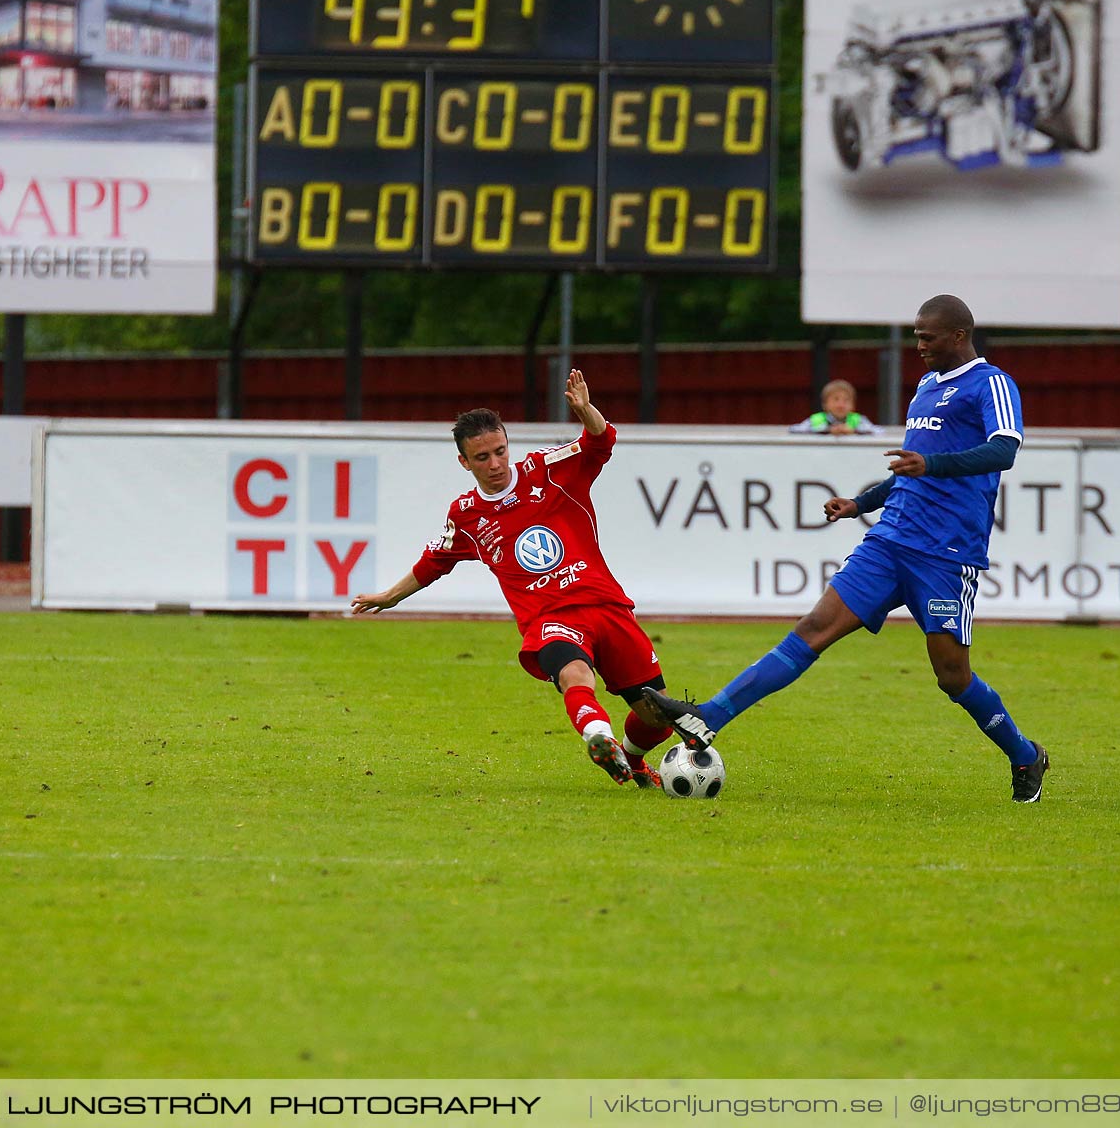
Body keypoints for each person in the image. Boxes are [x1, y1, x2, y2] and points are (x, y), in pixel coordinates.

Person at [644, 294, 1050, 802]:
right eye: (916, 335)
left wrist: (933, 466)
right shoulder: (925, 386)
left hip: (946, 556)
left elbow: (1004, 450)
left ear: (960, 335)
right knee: (813, 629)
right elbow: (909, 472)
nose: (918, 345)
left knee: (952, 677)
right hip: (890, 541)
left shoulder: (991, 382)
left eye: (928, 336)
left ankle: (1025, 754)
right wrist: (861, 504)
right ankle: (709, 717)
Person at [351, 370, 677, 790]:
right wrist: (390, 596)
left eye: (500, 451)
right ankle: (598, 736)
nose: (495, 464)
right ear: (464, 462)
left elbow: (601, 442)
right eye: (482, 458)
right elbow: (435, 561)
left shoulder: (549, 469)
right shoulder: (466, 515)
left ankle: (630, 759)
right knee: (575, 674)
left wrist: (586, 411)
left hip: (605, 605)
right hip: (550, 619)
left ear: (509, 445)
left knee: (657, 716)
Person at [790, 378, 879, 435]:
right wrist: (827, 431)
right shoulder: (816, 419)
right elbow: (794, 430)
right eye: (836, 399)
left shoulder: (858, 420)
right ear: (825, 404)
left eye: (846, 400)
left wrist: (854, 431)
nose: (841, 404)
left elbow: (879, 432)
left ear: (852, 405)